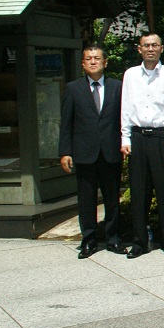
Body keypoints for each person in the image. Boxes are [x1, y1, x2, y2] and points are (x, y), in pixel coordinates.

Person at [121, 33, 164, 258]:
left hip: (162, 138)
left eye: (154, 45)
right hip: (138, 137)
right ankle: (139, 242)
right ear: (139, 49)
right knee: (139, 193)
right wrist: (125, 139)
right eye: (146, 45)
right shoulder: (130, 75)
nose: (150, 49)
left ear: (161, 48)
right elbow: (126, 109)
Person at [58, 45, 124, 258]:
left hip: (111, 152)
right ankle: (89, 240)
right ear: (83, 64)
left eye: (97, 58)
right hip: (84, 153)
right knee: (86, 200)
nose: (93, 62)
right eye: (89, 59)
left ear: (105, 62)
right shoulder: (73, 88)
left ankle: (113, 238)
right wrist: (65, 151)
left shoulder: (118, 87)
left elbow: (124, 119)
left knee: (112, 198)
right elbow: (66, 122)